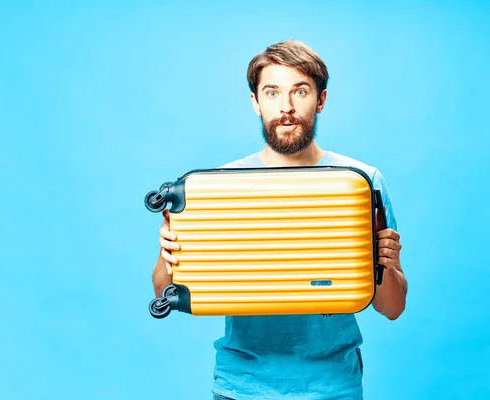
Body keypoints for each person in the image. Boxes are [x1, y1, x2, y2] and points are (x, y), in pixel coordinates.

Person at [152, 40, 407, 400]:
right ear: (256, 102)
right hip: (240, 386)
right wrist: (167, 250)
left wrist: (388, 265)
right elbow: (164, 291)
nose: (286, 107)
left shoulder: (360, 182)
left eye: (300, 91)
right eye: (272, 93)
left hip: (332, 387)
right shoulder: (217, 187)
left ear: (320, 99)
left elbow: (392, 308)